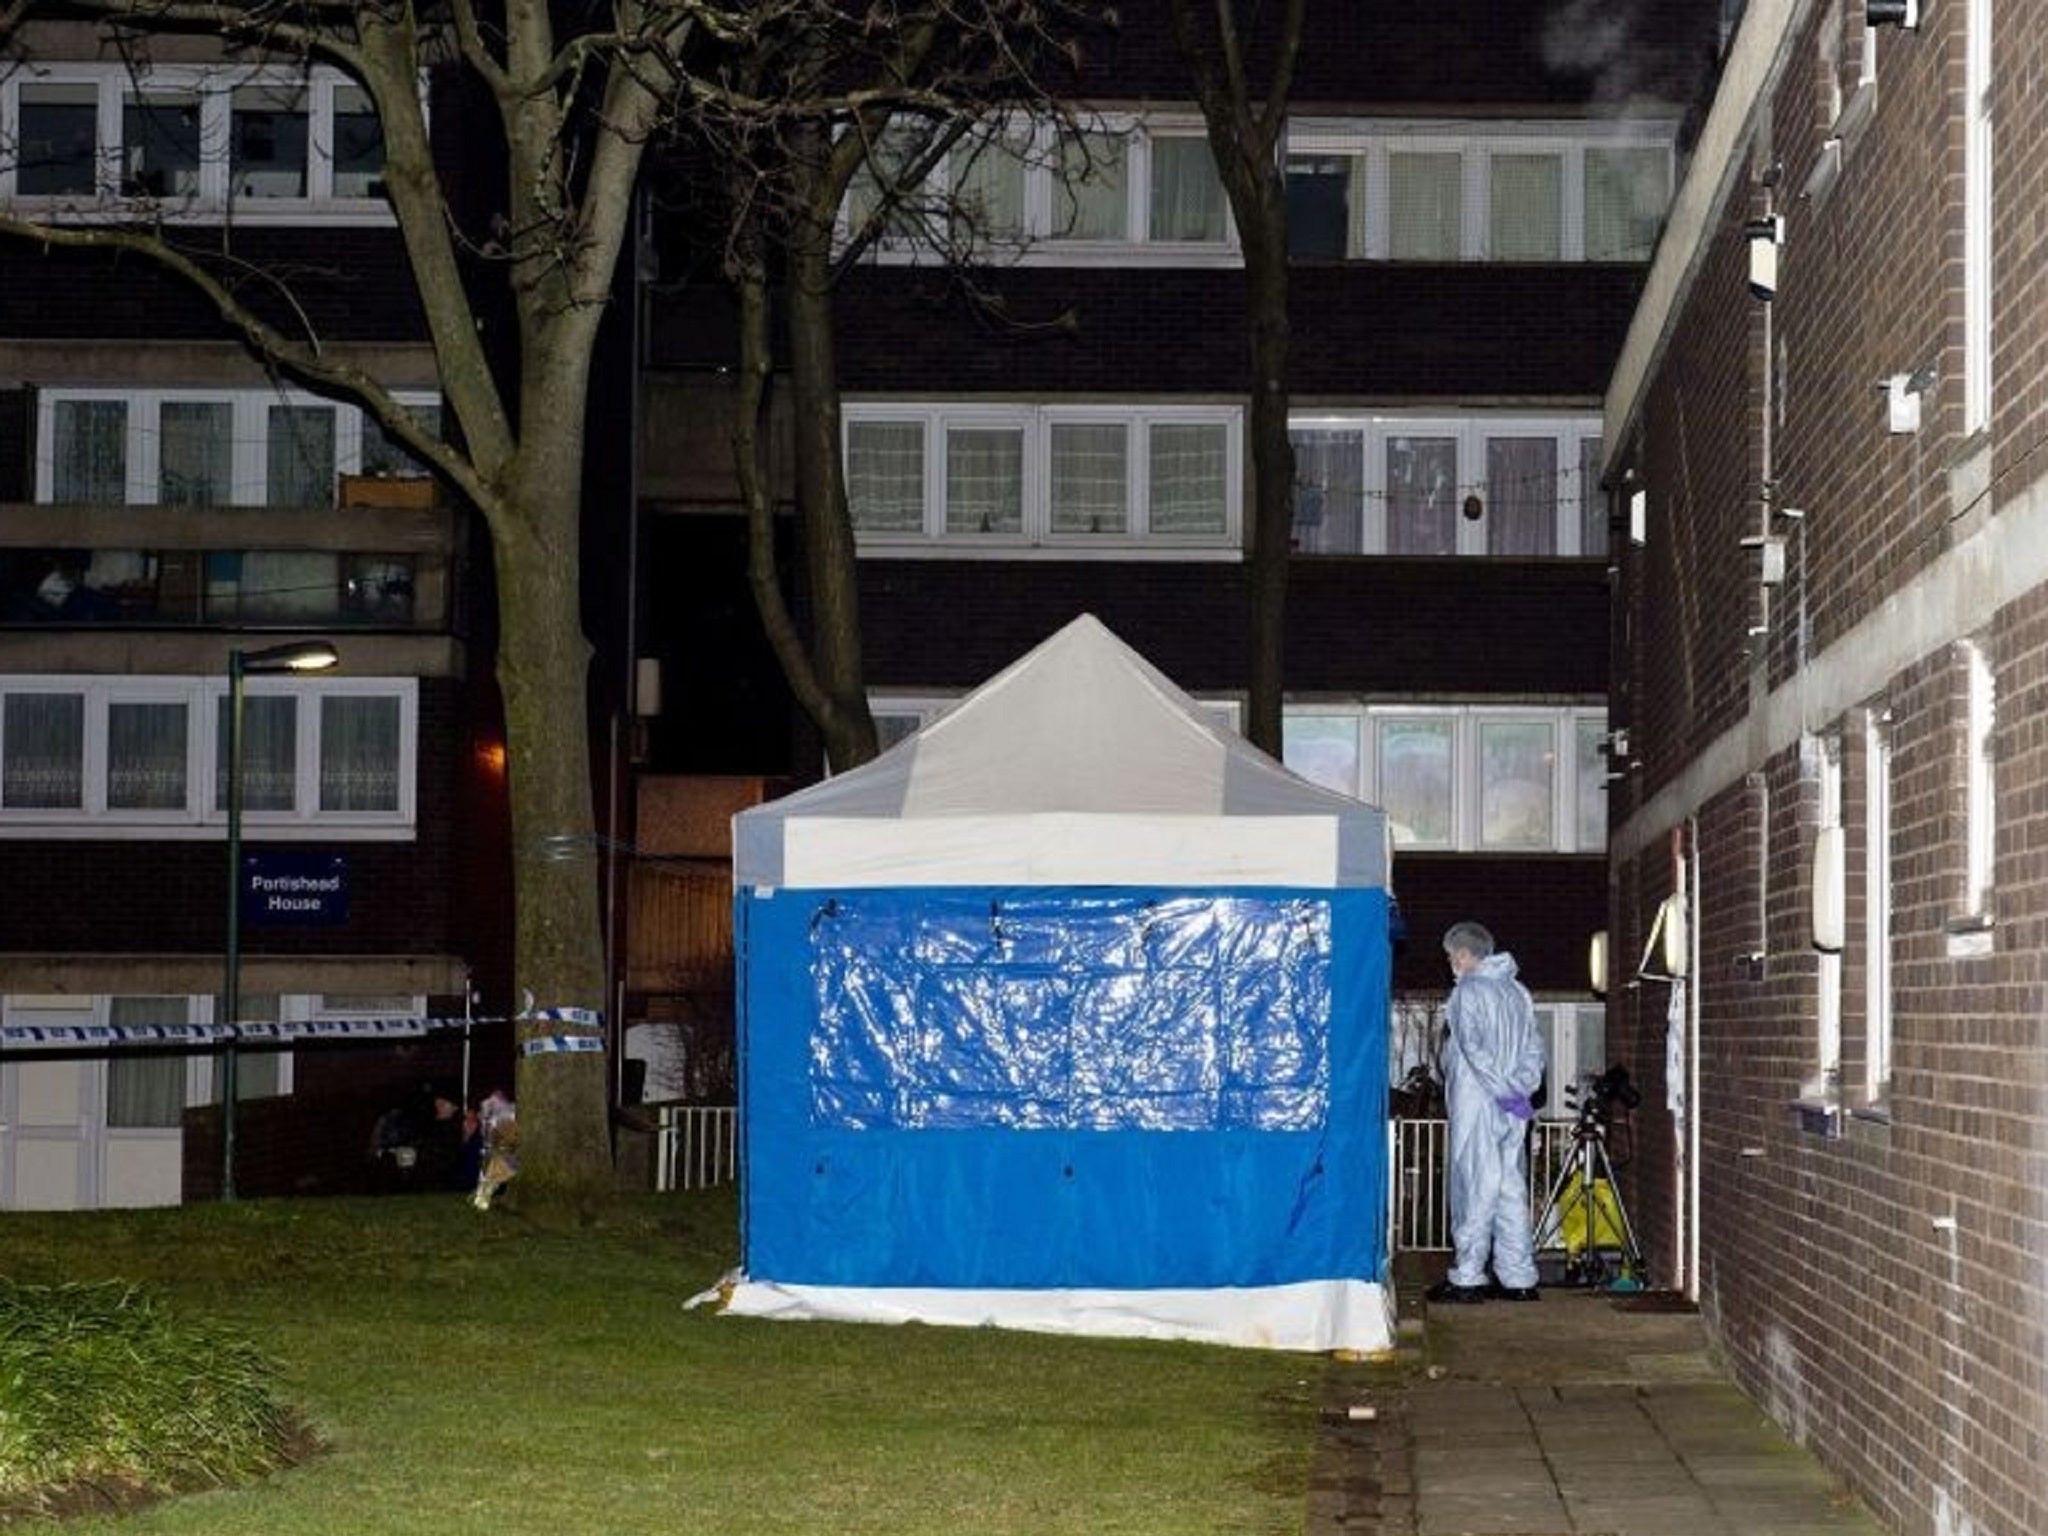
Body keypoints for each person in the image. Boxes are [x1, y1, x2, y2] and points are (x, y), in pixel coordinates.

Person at [1429, 921, 1546, 1304]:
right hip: (1514, 1107)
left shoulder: (1467, 992)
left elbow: (1472, 1049)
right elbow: (1534, 1048)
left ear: (1464, 954)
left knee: (1475, 1186)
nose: (1450, 963)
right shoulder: (1518, 992)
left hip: (1478, 1103)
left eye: (1451, 955)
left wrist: (1499, 1090)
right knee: (1510, 1187)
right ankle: (1519, 1277)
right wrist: (1519, 1090)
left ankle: (1468, 1276)